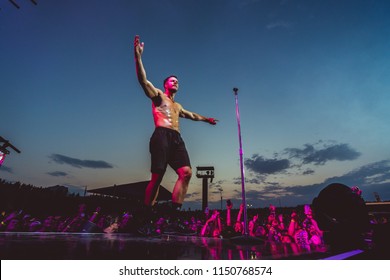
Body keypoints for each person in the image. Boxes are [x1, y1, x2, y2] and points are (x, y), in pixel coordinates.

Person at [133, 35, 218, 222]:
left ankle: (173, 216)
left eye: (177, 81)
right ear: (165, 84)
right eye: (172, 81)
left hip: (176, 138)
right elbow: (143, 81)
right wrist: (138, 57)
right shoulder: (158, 96)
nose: (175, 82)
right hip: (161, 135)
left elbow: (192, 115)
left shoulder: (177, 106)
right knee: (157, 176)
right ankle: (145, 216)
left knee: (186, 172)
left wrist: (206, 119)